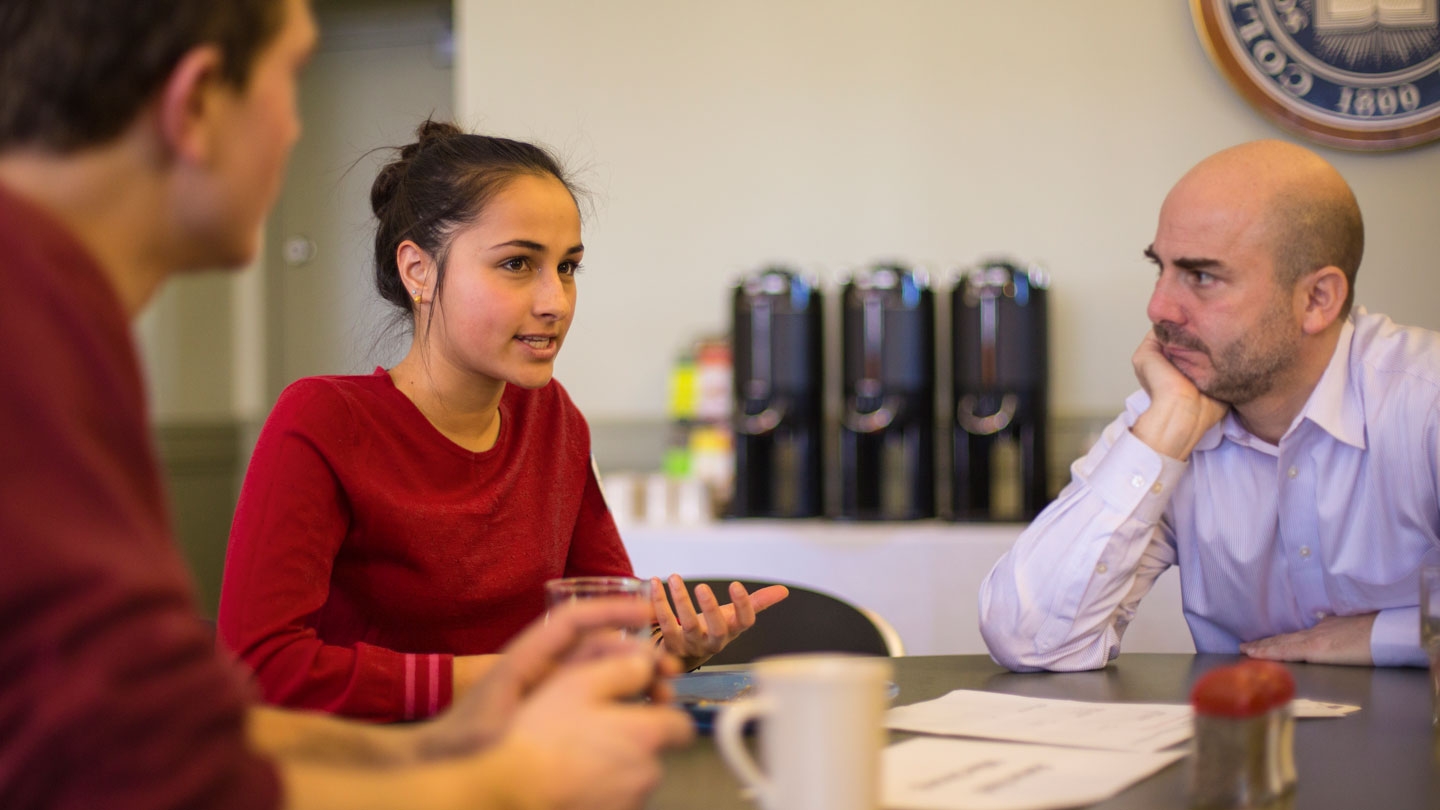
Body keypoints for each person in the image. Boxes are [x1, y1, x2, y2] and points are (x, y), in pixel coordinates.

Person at [0, 0, 692, 807]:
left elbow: (163, 727)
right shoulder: (28, 328)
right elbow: (144, 761)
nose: (296, 129)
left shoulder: (60, 317)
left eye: (568, 267)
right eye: (289, 79)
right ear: (194, 105)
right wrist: (493, 777)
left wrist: (446, 746)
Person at [217, 120, 788, 721]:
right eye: (517, 264)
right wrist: (512, 676)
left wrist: (666, 651)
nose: (555, 302)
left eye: (568, 268)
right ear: (418, 271)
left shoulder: (553, 418)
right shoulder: (325, 421)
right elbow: (259, 670)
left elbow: (599, 627)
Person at [979, 139, 1440, 673]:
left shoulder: (1424, 401)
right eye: (1162, 269)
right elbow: (1026, 638)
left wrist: (1388, 635)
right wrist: (1165, 429)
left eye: (1201, 277)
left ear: (1317, 300)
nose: (1158, 307)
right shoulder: (1173, 412)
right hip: (1242, 748)